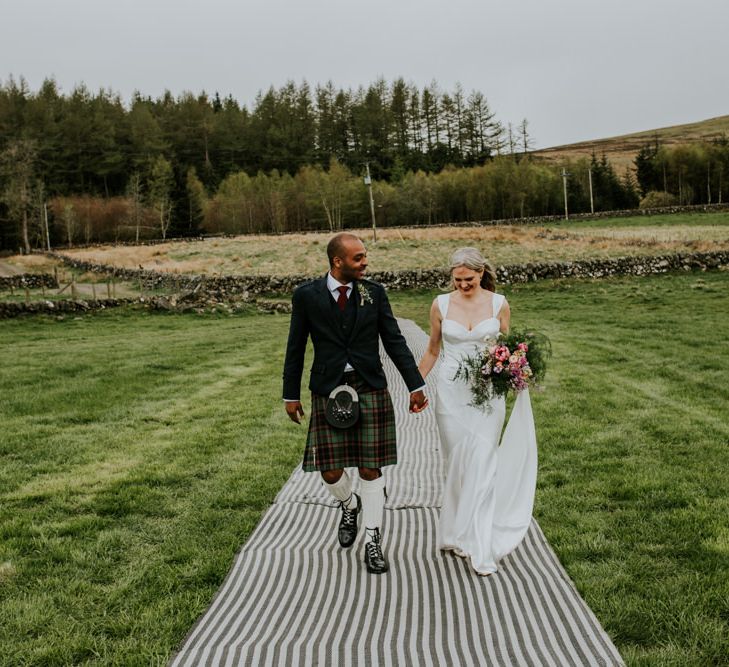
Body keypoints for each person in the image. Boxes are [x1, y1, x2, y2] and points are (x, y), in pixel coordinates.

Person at [283, 232, 428, 574]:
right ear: (337, 262)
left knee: (370, 467)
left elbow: (394, 340)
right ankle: (350, 503)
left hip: (369, 386)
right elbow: (295, 345)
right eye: (358, 258)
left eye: (365, 256)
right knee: (329, 469)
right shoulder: (307, 296)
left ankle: (372, 540)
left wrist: (415, 385)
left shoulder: (374, 293)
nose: (365, 263)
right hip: (327, 388)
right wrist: (290, 394)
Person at [418, 247, 538, 576]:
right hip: (451, 394)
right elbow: (432, 349)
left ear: (481, 273)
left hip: (488, 394)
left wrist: (516, 368)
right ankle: (456, 532)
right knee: (457, 462)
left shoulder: (499, 304)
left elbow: (510, 348)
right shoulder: (440, 304)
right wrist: (415, 385)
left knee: (483, 461)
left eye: (468, 279)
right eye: (457, 280)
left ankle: (479, 543)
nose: (462, 285)